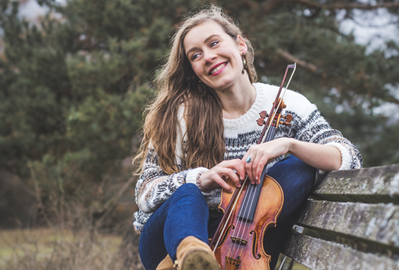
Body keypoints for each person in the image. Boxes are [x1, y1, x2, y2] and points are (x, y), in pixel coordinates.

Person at [133, 5, 362, 270]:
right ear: (193, 69)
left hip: (243, 242)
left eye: (214, 43)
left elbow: (349, 157)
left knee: (302, 164)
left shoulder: (286, 105)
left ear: (240, 44)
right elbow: (145, 191)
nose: (208, 56)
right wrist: (200, 178)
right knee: (189, 192)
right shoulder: (180, 115)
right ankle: (194, 259)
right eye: (196, 55)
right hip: (169, 242)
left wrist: (288, 144)